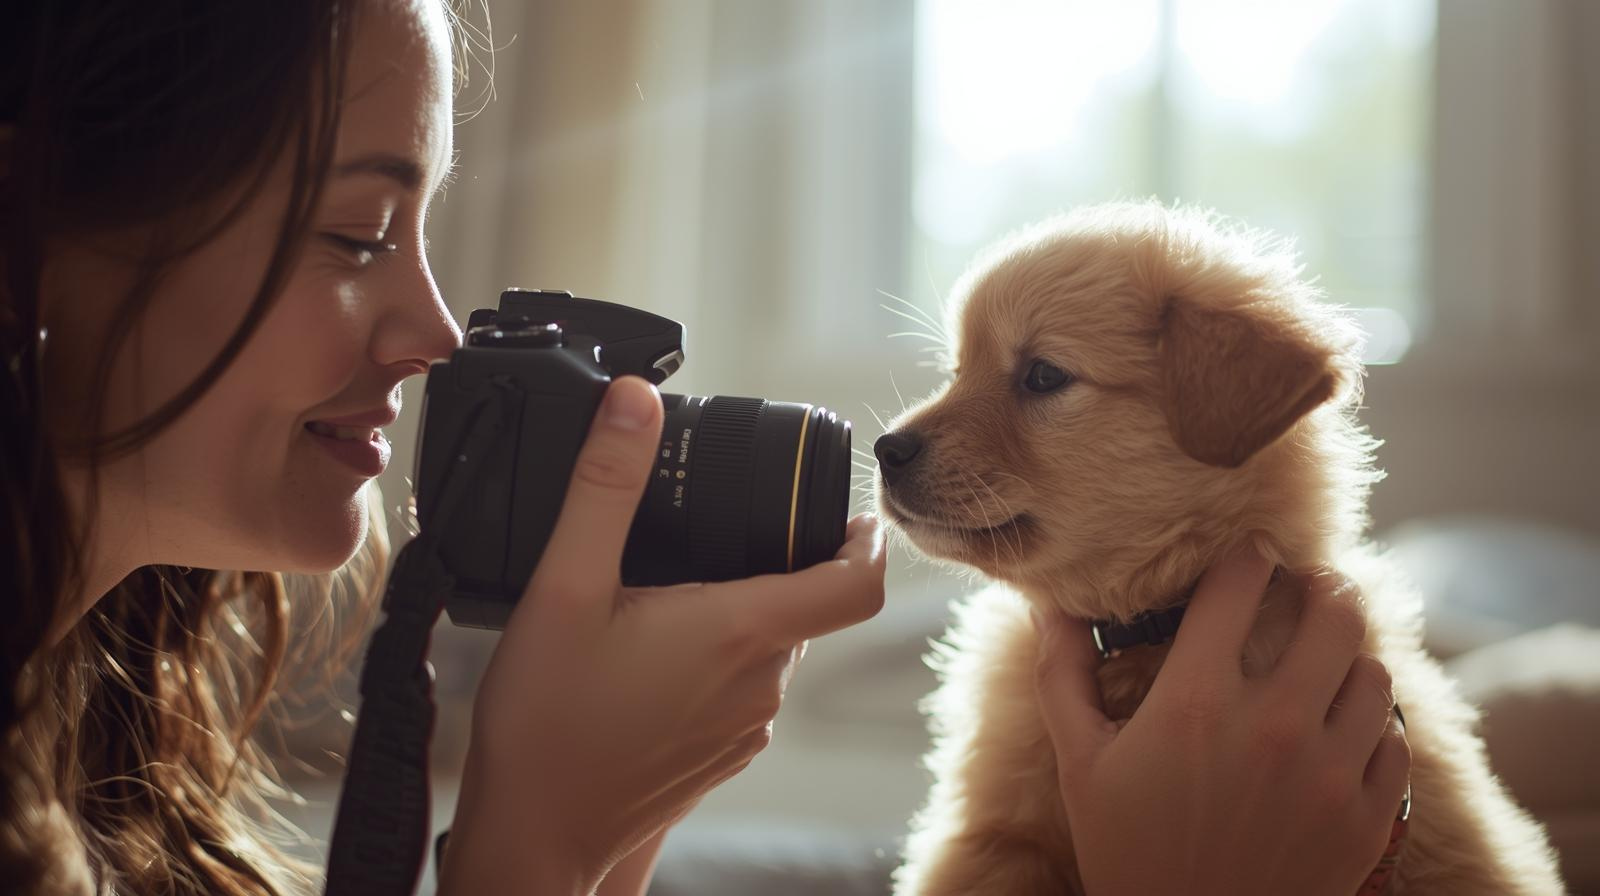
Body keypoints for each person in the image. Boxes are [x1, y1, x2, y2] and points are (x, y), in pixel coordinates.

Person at [0, 2, 1407, 895]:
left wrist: (585, 841)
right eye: (359, 234)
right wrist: (526, 856)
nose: (435, 332)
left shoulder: (101, 756)